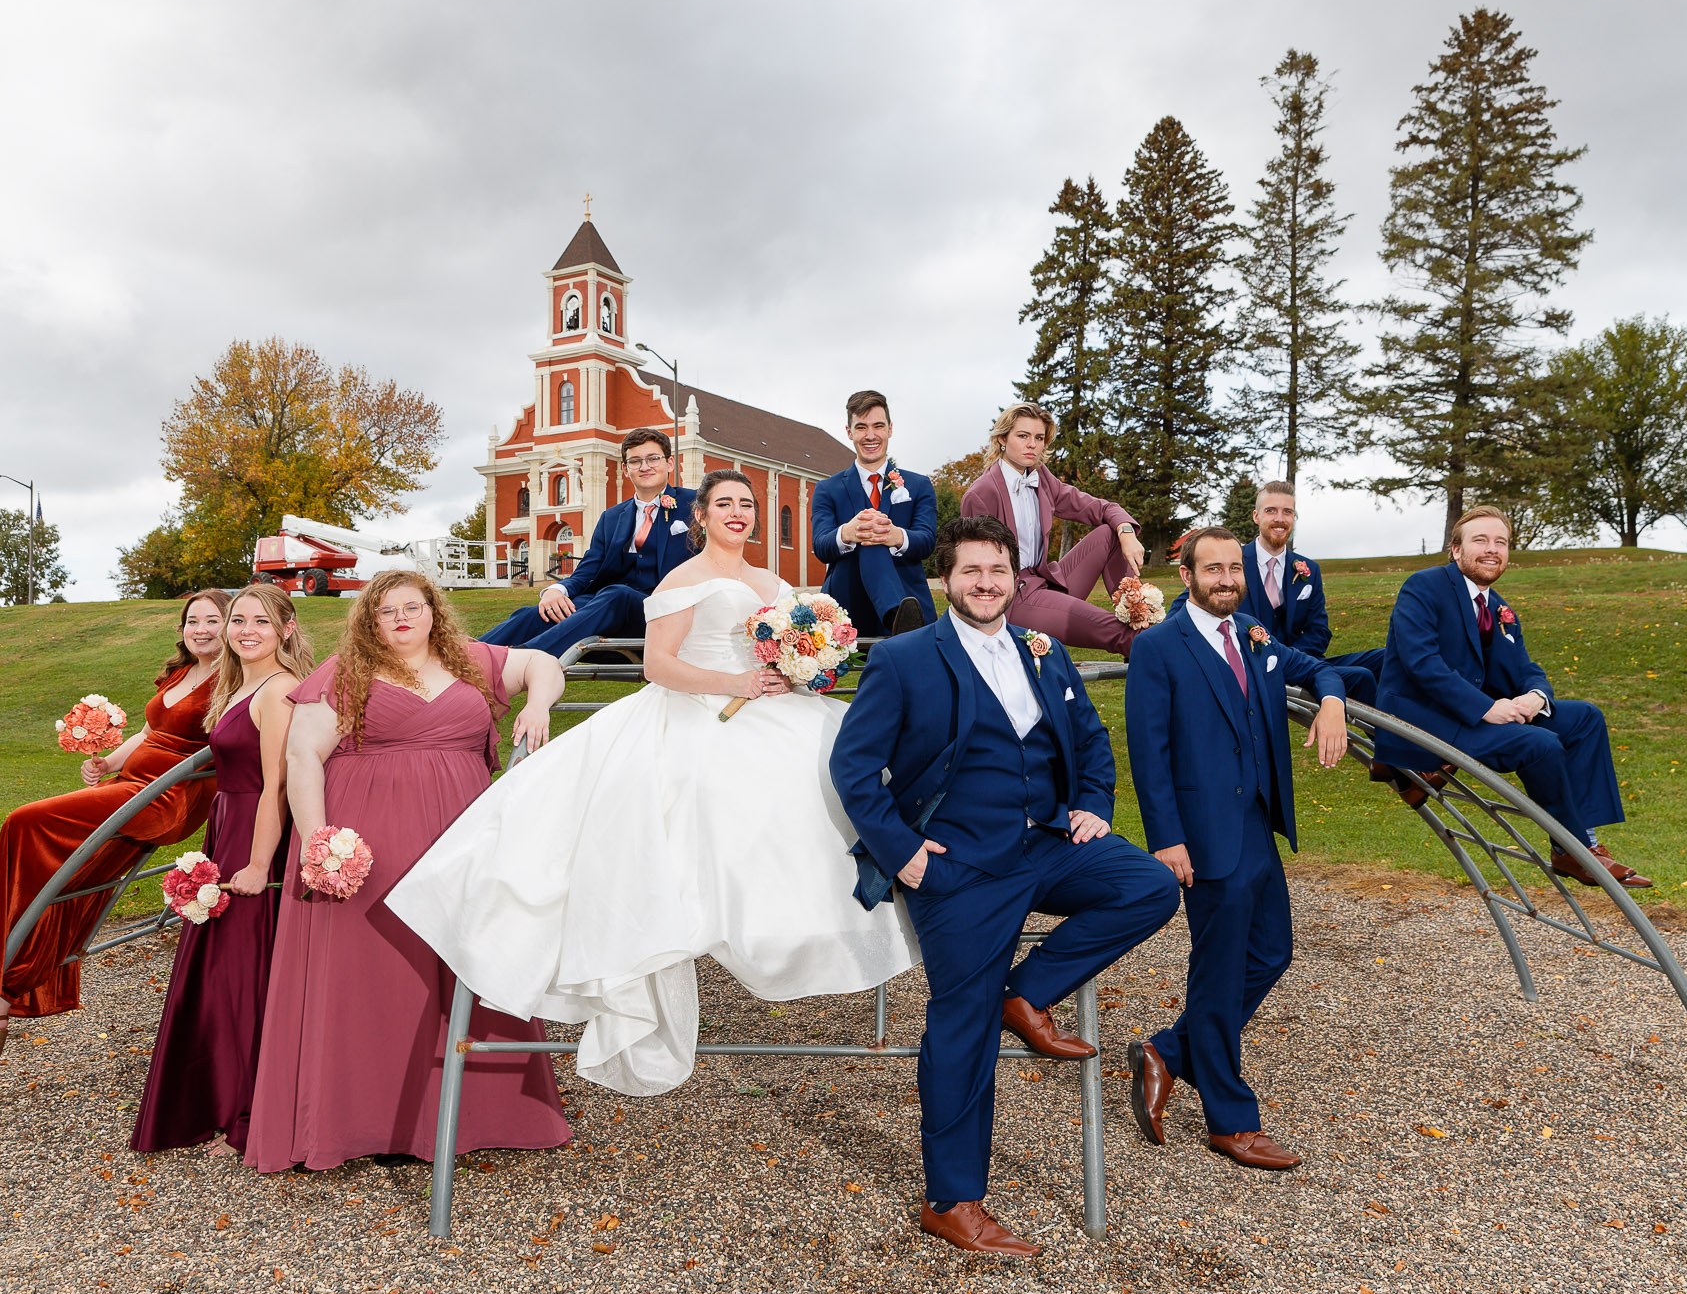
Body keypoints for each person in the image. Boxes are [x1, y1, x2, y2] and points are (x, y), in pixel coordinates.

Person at [388, 470, 917, 1098]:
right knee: (704, 811)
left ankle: (817, 929)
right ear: (702, 515)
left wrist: (798, 674)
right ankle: (706, 925)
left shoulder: (774, 583)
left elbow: (785, 653)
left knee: (834, 782)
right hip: (696, 709)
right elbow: (658, 665)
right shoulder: (683, 579)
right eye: (725, 504)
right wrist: (738, 685)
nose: (739, 513)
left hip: (772, 706)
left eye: (747, 504)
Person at [829, 515, 1180, 1258]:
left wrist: (1093, 802)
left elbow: (1088, 736)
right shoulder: (902, 657)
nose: (985, 583)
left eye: (997, 570)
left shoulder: (1040, 649)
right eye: (970, 571)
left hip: (1048, 842)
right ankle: (952, 1199)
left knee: (1149, 886)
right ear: (946, 579)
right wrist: (905, 856)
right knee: (962, 1027)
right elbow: (855, 768)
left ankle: (1027, 993)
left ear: (1014, 577)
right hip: (956, 866)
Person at [244, 572, 570, 1171]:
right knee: (377, 978)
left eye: (411, 607)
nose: (400, 618)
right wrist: (320, 839)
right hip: (370, 844)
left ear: (431, 612)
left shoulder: (470, 660)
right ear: (369, 620)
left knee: (461, 964)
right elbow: (302, 757)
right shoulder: (346, 673)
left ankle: (480, 1115)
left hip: (460, 839)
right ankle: (375, 1122)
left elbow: (544, 664)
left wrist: (540, 706)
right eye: (386, 610)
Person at [1123, 526, 1350, 1173]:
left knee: (1273, 951)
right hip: (1201, 833)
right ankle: (1231, 1120)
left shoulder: (1251, 629)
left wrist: (1331, 698)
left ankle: (1171, 1049)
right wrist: (1167, 837)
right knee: (1219, 971)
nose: (1226, 577)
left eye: (1233, 567)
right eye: (1212, 568)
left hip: (1255, 822)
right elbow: (1149, 748)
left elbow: (1314, 666)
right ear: (1188, 575)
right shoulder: (1160, 647)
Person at [0, 592, 228, 1054]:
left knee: (23, 822)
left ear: (233, 625)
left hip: (162, 797)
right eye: (192, 620)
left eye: (213, 620)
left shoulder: (233, 681)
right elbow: (151, 734)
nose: (200, 629)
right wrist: (108, 762)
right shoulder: (183, 673)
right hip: (130, 784)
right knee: (50, 875)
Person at [1371, 507, 1653, 890]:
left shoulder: (1500, 609)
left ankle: (1582, 839)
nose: (1492, 549)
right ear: (1456, 550)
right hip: (1427, 719)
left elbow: (1524, 667)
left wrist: (1536, 696)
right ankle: (1572, 849)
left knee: (1585, 718)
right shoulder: (1423, 587)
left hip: (1475, 716)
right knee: (1540, 744)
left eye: (1500, 542)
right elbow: (1422, 663)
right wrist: (1487, 707)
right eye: (1481, 540)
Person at [132, 584, 315, 1156]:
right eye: (239, 619)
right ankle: (217, 1099)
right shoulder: (240, 684)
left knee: (246, 975)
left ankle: (252, 1112)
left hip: (255, 836)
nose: (246, 630)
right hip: (226, 826)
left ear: (286, 629)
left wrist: (260, 863)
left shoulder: (280, 688)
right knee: (221, 975)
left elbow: (276, 788)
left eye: (261, 620)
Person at [479, 428, 698, 658]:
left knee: (617, 595)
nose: (644, 466)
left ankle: (523, 658)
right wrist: (556, 590)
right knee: (536, 613)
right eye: (635, 461)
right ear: (625, 469)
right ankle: (464, 654)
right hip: (604, 610)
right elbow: (588, 571)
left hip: (661, 613)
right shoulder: (612, 517)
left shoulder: (695, 505)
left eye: (653, 458)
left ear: (670, 463)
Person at [957, 402, 1146, 657]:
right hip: (1015, 595)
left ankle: (1135, 611)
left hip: (1048, 581)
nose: (1032, 445)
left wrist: (1126, 532)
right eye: (1023, 436)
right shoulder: (981, 494)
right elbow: (977, 571)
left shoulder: (1041, 478)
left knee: (1110, 533)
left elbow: (1100, 508)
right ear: (1002, 438)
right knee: (1120, 633)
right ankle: (1151, 648)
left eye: (1039, 438)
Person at [1233, 481, 1382, 703]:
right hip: (1252, 667)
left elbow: (1319, 630)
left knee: (1385, 657)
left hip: (1300, 663)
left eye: (1288, 512)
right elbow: (1191, 603)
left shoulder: (1308, 569)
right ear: (1256, 516)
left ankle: (1413, 729)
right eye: (1271, 511)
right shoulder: (1234, 562)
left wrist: (1292, 660)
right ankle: (1383, 738)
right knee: (1361, 677)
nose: (1280, 519)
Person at [809, 389, 938, 636]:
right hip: (848, 602)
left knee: (874, 535)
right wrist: (848, 532)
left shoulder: (919, 485)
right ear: (849, 432)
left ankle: (897, 612)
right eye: (861, 427)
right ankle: (895, 615)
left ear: (890, 429)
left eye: (878, 426)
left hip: (907, 593)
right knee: (867, 533)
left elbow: (927, 541)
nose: (870, 435)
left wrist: (895, 536)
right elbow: (822, 546)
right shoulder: (827, 489)